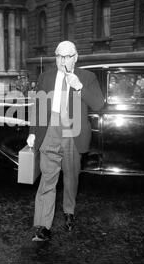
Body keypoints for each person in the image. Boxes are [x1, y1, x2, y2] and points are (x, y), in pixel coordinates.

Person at [27, 41, 104, 242]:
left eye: (68, 56)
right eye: (60, 56)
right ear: (56, 57)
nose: (63, 60)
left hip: (73, 132)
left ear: (76, 57)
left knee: (71, 177)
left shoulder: (87, 77)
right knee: (47, 178)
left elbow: (98, 104)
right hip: (49, 131)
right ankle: (43, 226)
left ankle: (69, 210)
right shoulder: (45, 77)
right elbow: (38, 106)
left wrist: (78, 87)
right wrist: (33, 131)